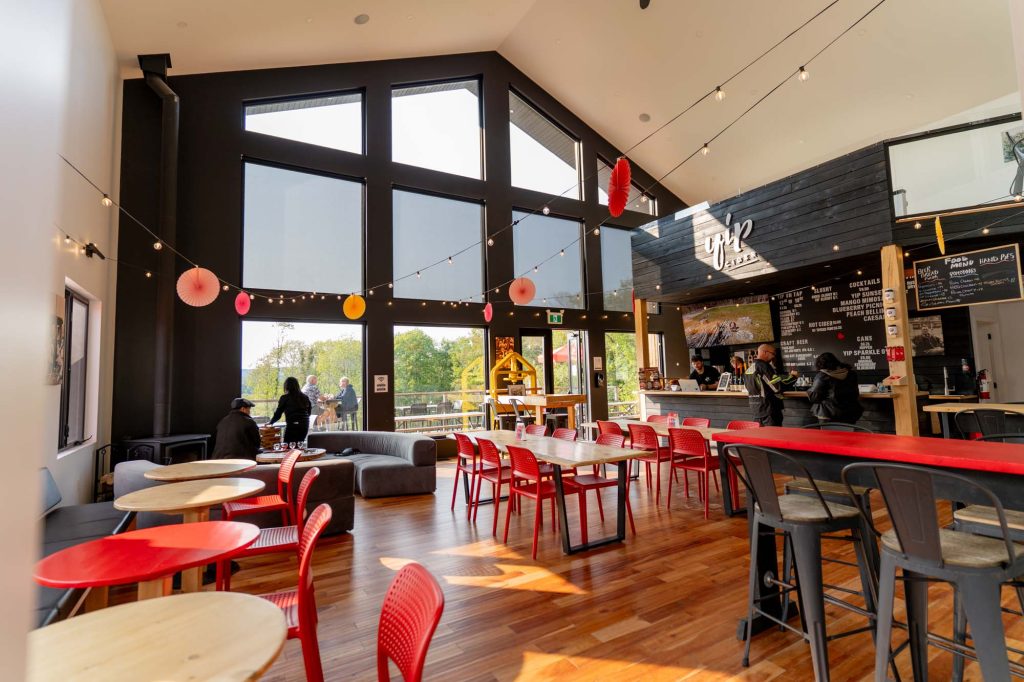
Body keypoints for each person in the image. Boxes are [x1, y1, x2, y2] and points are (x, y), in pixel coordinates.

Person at [744, 343, 798, 426]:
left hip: (756, 410)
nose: (774, 356)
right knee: (773, 437)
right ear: (765, 352)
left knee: (760, 437)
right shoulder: (764, 366)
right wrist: (793, 377)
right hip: (769, 411)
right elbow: (777, 387)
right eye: (773, 353)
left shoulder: (749, 368)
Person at [806, 352, 864, 425]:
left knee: (828, 436)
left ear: (820, 364)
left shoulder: (822, 376)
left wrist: (808, 390)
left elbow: (814, 397)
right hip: (850, 413)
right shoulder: (851, 373)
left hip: (828, 414)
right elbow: (855, 393)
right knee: (848, 435)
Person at [268, 376, 312, 445]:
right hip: (305, 425)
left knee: (288, 446)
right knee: (299, 446)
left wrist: (270, 423)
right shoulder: (305, 397)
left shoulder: (284, 398)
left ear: (286, 386)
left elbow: (278, 414)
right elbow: (309, 412)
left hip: (292, 425)